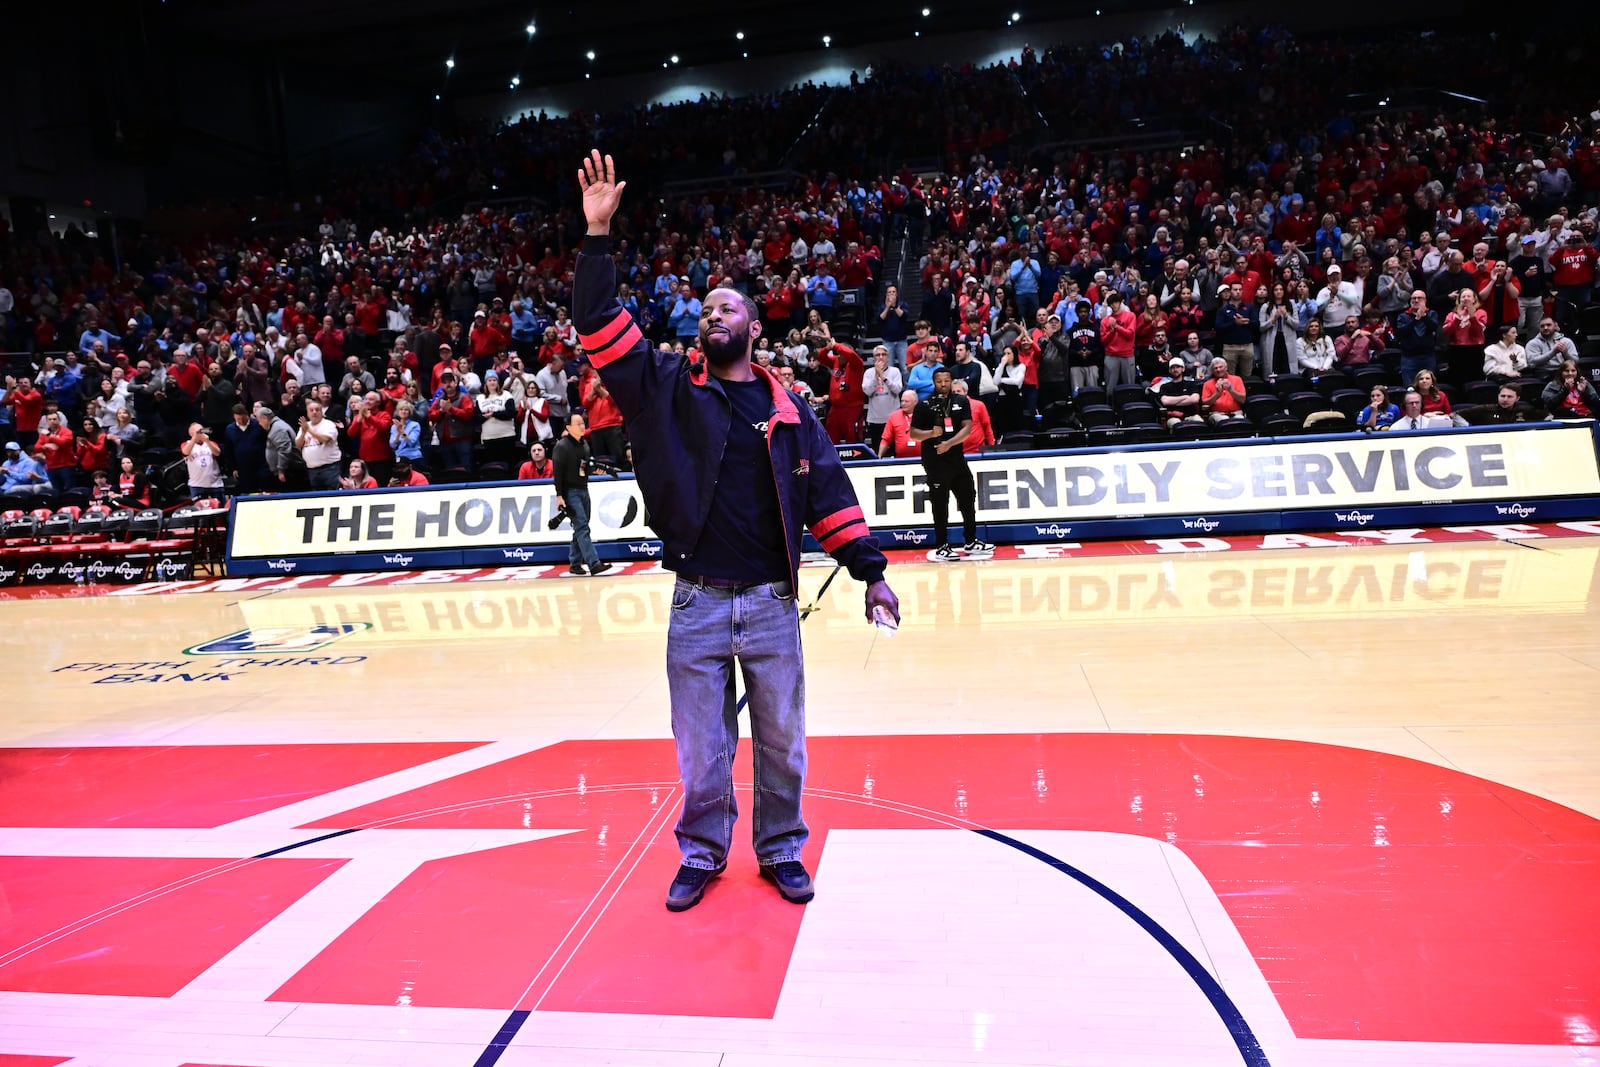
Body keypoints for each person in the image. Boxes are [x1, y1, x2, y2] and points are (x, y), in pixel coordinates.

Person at [574, 151, 897, 912]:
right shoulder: (661, 388)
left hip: (773, 605)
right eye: (703, 308)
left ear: (753, 325)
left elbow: (831, 494)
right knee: (702, 749)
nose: (709, 315)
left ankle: (782, 847)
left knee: (783, 742)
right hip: (697, 602)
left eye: (725, 308)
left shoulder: (790, 412)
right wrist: (596, 236)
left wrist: (870, 570)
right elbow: (595, 322)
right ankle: (703, 851)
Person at [910, 366, 991, 560]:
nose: (943, 384)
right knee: (940, 503)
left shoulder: (961, 401)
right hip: (935, 462)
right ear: (934, 382)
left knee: (968, 497)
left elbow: (968, 427)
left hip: (957, 459)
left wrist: (949, 443)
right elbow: (913, 433)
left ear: (951, 381)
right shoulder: (924, 404)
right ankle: (942, 545)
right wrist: (931, 434)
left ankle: (970, 540)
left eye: (946, 381)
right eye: (939, 381)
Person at [551, 413, 614, 578]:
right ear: (568, 427)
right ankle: (594, 564)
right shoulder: (562, 446)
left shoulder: (585, 445)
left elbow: (584, 467)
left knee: (580, 527)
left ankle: (574, 563)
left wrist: (596, 470)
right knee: (582, 527)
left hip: (584, 489)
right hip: (571, 492)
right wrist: (559, 496)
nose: (582, 425)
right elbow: (557, 473)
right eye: (578, 423)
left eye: (582, 422)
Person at [861, 347, 903, 455]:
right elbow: (867, 391)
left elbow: (898, 389)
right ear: (874, 358)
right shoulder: (868, 373)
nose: (880, 357)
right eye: (877, 355)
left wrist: (884, 378)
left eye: (883, 354)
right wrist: (876, 376)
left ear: (888, 357)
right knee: (877, 450)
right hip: (875, 419)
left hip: (893, 418)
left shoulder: (895, 371)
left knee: (895, 450)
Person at [295, 398, 342, 490]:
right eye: (311, 410)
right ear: (307, 413)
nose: (314, 412)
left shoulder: (328, 424)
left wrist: (308, 430)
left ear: (321, 412)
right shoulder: (304, 427)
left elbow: (326, 439)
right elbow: (298, 445)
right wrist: (304, 432)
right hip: (312, 469)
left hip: (330, 467)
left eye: (317, 410)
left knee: (333, 495)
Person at [224, 403, 269, 494]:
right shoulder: (230, 429)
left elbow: (267, 443)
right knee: (247, 493)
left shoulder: (258, 425)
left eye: (242, 418)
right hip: (242, 468)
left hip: (260, 465)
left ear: (247, 415)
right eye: (238, 419)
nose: (241, 421)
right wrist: (233, 468)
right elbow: (228, 450)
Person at [181, 422, 226, 499]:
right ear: (191, 433)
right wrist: (194, 439)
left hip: (215, 484)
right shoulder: (186, 444)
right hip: (197, 485)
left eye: (202, 430)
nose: (201, 433)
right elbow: (185, 452)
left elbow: (217, 453)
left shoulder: (211, 443)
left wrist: (207, 441)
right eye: (198, 431)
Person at [950, 380, 994, 454]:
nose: (956, 394)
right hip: (956, 452)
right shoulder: (947, 408)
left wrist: (992, 447)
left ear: (965, 392)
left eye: (958, 391)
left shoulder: (979, 405)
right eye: (953, 392)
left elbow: (987, 427)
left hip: (977, 451)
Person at [1157, 356, 1203, 426]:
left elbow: (1195, 399)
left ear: (1183, 369)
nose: (1175, 369)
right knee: (1176, 424)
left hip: (1191, 415)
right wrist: (1185, 397)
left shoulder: (1191, 384)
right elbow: (1165, 401)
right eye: (1172, 367)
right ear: (1169, 370)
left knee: (1199, 423)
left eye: (1178, 367)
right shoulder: (1165, 386)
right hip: (1173, 417)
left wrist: (1173, 402)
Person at [1200, 357, 1247, 424]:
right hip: (1216, 414)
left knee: (1240, 420)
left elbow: (1243, 399)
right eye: (1215, 368)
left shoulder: (1237, 379)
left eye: (1220, 367)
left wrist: (1230, 389)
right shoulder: (1207, 384)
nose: (1218, 370)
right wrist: (1217, 393)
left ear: (1226, 368)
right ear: (1213, 371)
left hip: (1236, 412)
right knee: (1224, 420)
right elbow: (1205, 403)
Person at [878, 389, 920, 459]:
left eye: (906, 401)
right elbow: (886, 439)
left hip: (922, 459)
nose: (903, 403)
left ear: (915, 402)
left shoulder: (924, 415)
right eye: (902, 401)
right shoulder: (894, 416)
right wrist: (879, 456)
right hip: (900, 460)